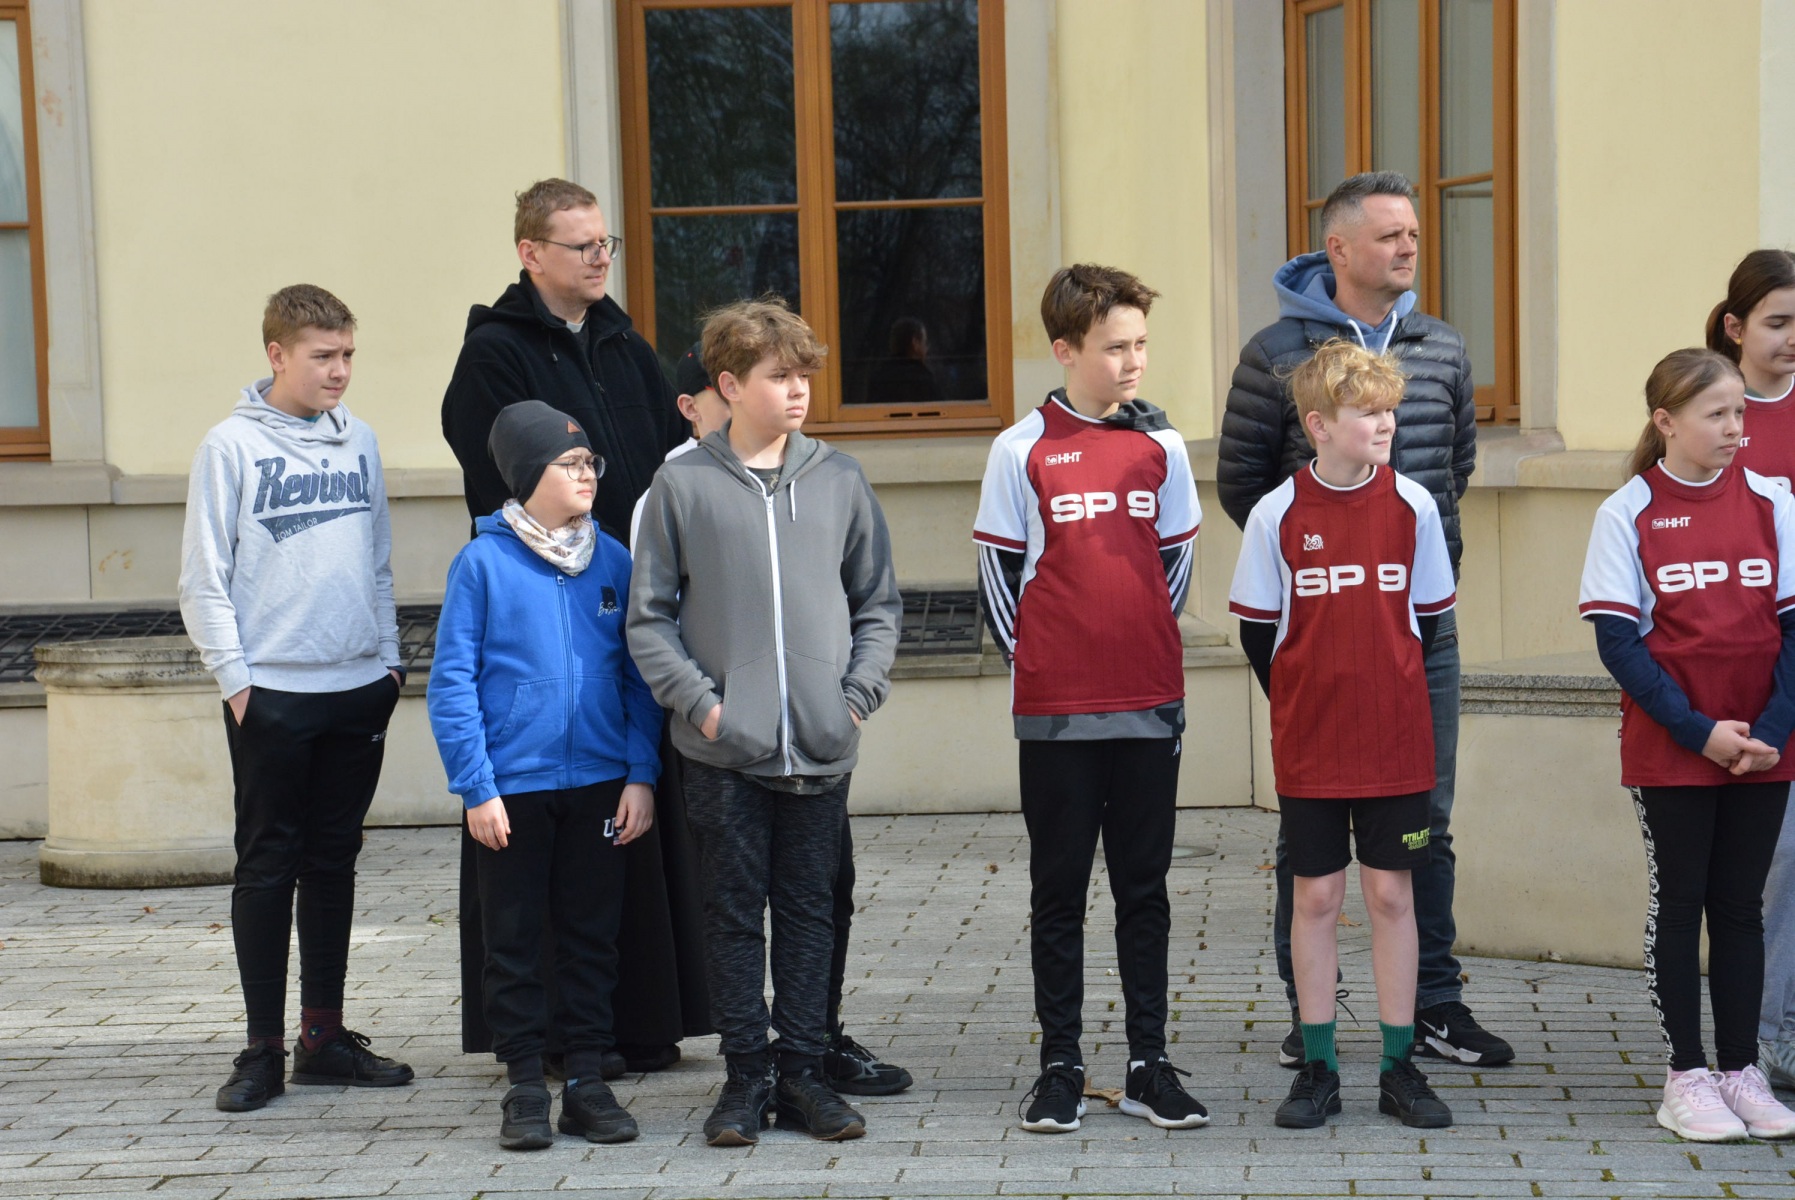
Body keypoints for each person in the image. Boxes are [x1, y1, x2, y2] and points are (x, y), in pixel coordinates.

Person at [1216, 171, 1504, 1069]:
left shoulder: (1441, 346)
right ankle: (1309, 1020)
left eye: (1411, 232)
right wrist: (1320, 592)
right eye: (1388, 235)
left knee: (1425, 820)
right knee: (1306, 837)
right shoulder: (1274, 352)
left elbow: (1451, 471)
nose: (1408, 246)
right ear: (1337, 249)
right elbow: (1242, 483)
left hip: (1415, 630)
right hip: (1316, 634)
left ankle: (1433, 1006)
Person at [442, 178, 706, 1075]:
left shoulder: (626, 345)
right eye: (581, 245)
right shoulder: (494, 356)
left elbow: (666, 465)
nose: (600, 258)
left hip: (636, 601)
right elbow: (505, 490)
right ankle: (551, 1035)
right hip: (548, 619)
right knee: (546, 853)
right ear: (530, 254)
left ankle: (642, 1017)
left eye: (605, 243)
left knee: (630, 816)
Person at [628, 298, 903, 1145]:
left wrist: (853, 698)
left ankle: (804, 1075)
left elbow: (877, 604)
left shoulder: (840, 479)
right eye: (779, 376)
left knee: (811, 913)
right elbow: (648, 619)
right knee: (732, 914)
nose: (797, 391)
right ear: (729, 384)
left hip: (820, 747)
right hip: (722, 752)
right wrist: (706, 708)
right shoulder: (681, 485)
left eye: (802, 376)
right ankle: (745, 1079)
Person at [973, 264, 1208, 1135]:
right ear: (1065, 350)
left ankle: (1148, 1063)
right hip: (1056, 710)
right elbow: (997, 577)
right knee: (1059, 890)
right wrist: (1040, 662)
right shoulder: (1020, 448)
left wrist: (1138, 641)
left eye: (1140, 344)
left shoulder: (1163, 446)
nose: (1132, 361)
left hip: (1148, 701)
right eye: (1114, 347)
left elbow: (1173, 565)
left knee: (1144, 889)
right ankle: (1060, 1065)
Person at [179, 284, 413, 1113]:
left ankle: (323, 1038)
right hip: (272, 694)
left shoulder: (361, 441)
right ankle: (261, 1050)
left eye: (347, 354)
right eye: (323, 356)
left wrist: (388, 665)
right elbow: (202, 578)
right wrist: (238, 685)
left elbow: (377, 561)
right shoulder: (230, 446)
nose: (339, 370)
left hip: (357, 689)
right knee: (267, 866)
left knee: (333, 863)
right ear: (277, 355)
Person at [1229, 340, 1456, 1130]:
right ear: (1319, 425)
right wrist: (1307, 701)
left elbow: (1427, 624)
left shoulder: (1413, 505)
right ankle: (1318, 1066)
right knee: (1316, 896)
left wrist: (1378, 693)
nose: (1386, 424)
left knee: (1391, 896)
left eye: (1391, 410)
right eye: (1368, 413)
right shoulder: (1276, 513)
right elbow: (1258, 634)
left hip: (1395, 740)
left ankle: (1398, 1068)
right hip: (1311, 743)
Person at [428, 402, 662, 1150]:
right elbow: (452, 682)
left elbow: (638, 678)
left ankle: (587, 1080)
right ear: (529, 473)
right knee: (514, 939)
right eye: (570, 464)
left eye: (591, 462)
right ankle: (525, 1083)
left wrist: (640, 773)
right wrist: (477, 786)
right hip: (512, 790)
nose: (587, 474)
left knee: (593, 936)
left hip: (600, 782)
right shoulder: (482, 564)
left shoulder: (614, 561)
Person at [1579, 347, 1795, 1142]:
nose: (1735, 428)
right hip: (1674, 749)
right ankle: (1685, 1078)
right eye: (1716, 414)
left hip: (1764, 748)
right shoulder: (1625, 511)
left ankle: (1740, 1071)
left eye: (1739, 412)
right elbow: (1618, 642)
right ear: (1665, 421)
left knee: (1739, 906)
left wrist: (1768, 732)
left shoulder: (1772, 501)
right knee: (1680, 903)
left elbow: (1792, 630)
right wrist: (1699, 733)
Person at [1707, 250, 1795, 1092]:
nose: (1792, 337)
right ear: (1735, 326)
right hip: (1749, 672)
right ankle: (1763, 1038)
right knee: (1774, 861)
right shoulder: (1711, 410)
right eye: (1777, 321)